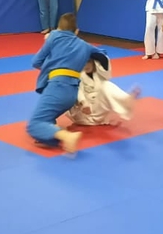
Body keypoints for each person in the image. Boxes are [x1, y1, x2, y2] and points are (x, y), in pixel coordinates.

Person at [27, 13, 106, 153]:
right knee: (46, 119)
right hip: (73, 93)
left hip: (57, 86)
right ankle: (52, 137)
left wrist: (52, 67)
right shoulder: (85, 45)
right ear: (77, 31)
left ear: (59, 28)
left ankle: (67, 136)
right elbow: (102, 55)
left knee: (34, 125)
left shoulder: (54, 36)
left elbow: (36, 62)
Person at [65, 56, 142, 126]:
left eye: (89, 62)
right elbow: (78, 90)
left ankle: (125, 99)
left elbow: (105, 61)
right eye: (84, 63)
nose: (86, 65)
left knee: (106, 84)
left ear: (94, 62)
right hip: (84, 113)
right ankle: (124, 100)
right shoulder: (77, 75)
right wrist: (84, 102)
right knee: (73, 89)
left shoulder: (99, 74)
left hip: (97, 112)